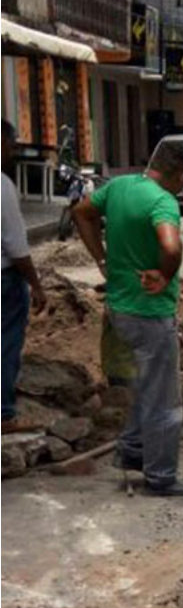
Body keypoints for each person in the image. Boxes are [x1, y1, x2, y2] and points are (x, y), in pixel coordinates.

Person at [73, 141, 183, 496]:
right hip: (150, 312)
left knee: (149, 385)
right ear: (181, 175)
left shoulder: (119, 186)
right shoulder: (163, 202)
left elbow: (81, 212)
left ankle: (132, 451)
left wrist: (102, 259)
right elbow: (172, 246)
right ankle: (161, 477)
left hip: (120, 307)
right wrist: (163, 274)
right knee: (165, 400)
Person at [1, 120, 47, 432]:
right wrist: (36, 285)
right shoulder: (3, 186)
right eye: (10, 144)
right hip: (4, 278)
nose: (13, 151)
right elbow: (17, 247)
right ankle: (4, 413)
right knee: (6, 342)